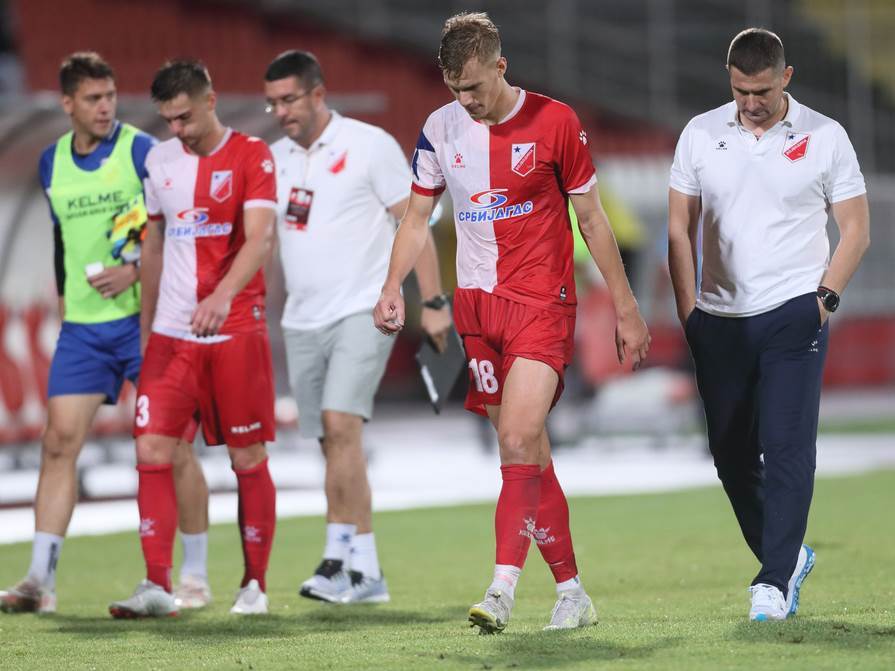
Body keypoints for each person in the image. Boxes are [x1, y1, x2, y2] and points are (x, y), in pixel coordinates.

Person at [374, 12, 650, 633]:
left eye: (474, 87)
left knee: (519, 439)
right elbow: (416, 220)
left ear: (500, 66)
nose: (466, 101)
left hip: (541, 303)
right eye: (455, 90)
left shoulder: (556, 122)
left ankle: (501, 589)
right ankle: (572, 592)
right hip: (477, 309)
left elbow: (593, 220)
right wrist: (393, 287)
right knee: (526, 450)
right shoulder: (439, 128)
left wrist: (626, 308)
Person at [667, 28, 870, 622]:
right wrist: (689, 313)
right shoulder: (699, 133)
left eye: (761, 91)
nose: (751, 103)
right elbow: (679, 228)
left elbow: (856, 229)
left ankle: (772, 582)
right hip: (720, 319)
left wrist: (823, 299)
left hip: (793, 312)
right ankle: (789, 557)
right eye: (740, 91)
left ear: (786, 78)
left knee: (786, 448)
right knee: (730, 455)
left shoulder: (825, 136)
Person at [0, 52, 210, 615]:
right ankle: (40, 580)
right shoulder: (51, 162)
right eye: (93, 98)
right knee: (57, 444)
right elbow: (62, 237)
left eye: (110, 96)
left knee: (174, 448)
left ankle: (194, 576)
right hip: (84, 330)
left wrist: (135, 270)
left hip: (148, 324)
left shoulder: (144, 151)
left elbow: (182, 228)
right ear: (67, 103)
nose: (105, 107)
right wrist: (64, 297)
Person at [264, 50, 452, 604]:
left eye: (289, 99)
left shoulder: (369, 145)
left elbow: (414, 224)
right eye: (273, 103)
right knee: (333, 441)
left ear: (318, 94)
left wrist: (433, 301)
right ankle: (366, 571)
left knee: (340, 423)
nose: (281, 111)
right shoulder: (273, 159)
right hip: (302, 317)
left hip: (365, 309)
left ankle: (335, 560)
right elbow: (268, 241)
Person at [108, 60, 279, 617]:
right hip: (171, 335)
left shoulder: (253, 154)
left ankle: (254, 585)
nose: (177, 129)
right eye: (169, 120)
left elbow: (260, 239)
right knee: (151, 447)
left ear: (210, 100)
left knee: (246, 456)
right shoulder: (159, 160)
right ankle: (157, 584)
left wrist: (222, 295)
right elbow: (154, 244)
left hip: (235, 329)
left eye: (184, 116)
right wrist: (145, 326)